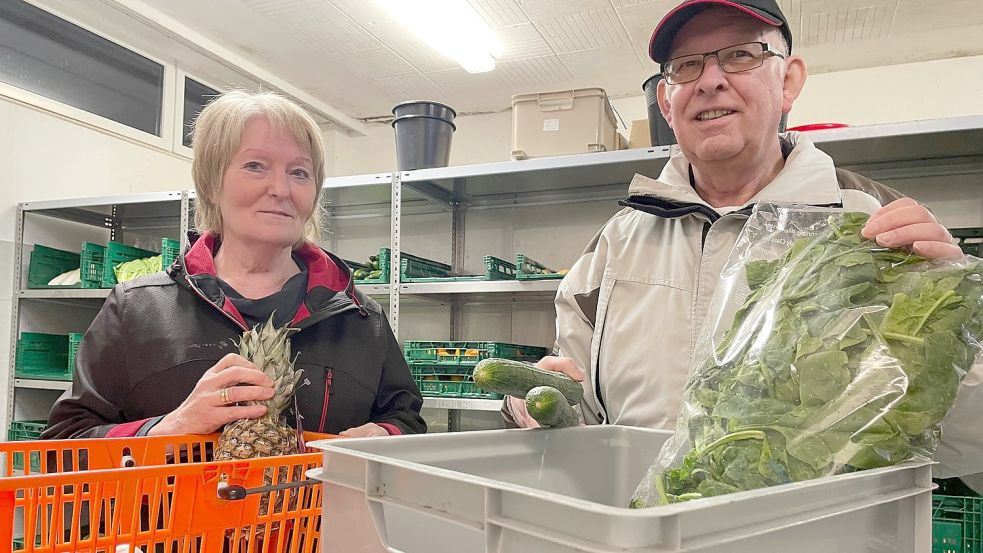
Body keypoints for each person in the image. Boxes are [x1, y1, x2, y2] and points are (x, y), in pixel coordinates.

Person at [504, 0, 982, 479]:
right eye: (687, 65)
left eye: (740, 55)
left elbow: (967, 447)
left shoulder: (875, 222)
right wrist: (536, 404)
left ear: (789, 80)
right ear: (667, 104)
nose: (710, 80)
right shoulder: (614, 243)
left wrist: (950, 326)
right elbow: (579, 409)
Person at [44, 90, 425, 440]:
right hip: (175, 516)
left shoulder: (360, 317)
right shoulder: (136, 309)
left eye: (299, 172)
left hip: (318, 516)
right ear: (210, 182)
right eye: (255, 166)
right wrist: (170, 427)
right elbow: (66, 440)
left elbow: (406, 418)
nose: (281, 189)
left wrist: (384, 435)